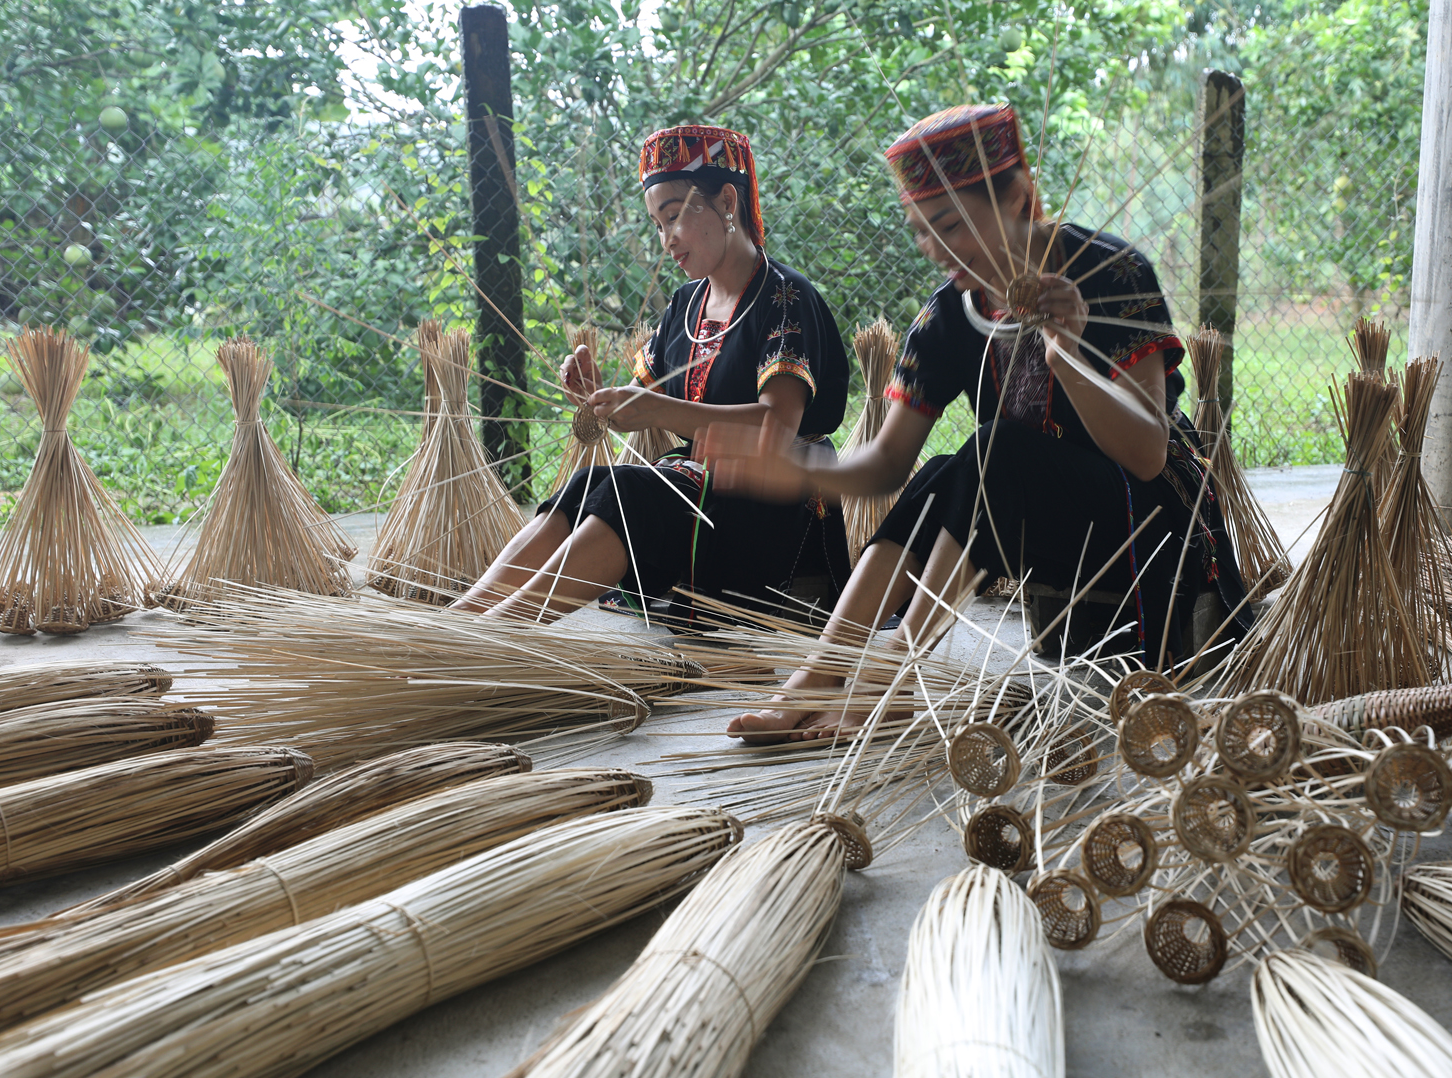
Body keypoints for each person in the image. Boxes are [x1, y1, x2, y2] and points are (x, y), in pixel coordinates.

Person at [697, 104, 1254, 742]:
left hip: (1148, 523)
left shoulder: (1110, 272)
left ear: (1019, 196)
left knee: (998, 449)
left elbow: (1150, 454)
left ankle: (891, 671)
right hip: (1035, 518)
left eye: (952, 225)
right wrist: (799, 468)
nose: (936, 249)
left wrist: (1065, 356)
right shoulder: (947, 316)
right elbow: (886, 464)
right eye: (921, 230)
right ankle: (823, 672)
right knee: (943, 470)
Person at [452, 124, 851, 624]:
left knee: (636, 494)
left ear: (727, 201)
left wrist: (656, 407)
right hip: (706, 490)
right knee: (589, 485)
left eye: (674, 218)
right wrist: (598, 393)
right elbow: (642, 400)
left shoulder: (785, 298)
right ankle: (459, 622)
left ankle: (499, 634)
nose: (666, 241)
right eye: (657, 226)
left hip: (775, 500)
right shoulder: (686, 305)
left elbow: (779, 425)